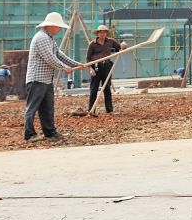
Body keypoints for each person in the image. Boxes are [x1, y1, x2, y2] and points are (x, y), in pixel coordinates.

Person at [25, 12, 83, 142]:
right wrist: (64, 67)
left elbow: (59, 54)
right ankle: (29, 134)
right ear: (51, 26)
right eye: (58, 26)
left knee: (47, 108)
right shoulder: (41, 38)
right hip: (36, 79)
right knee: (32, 107)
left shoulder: (49, 38)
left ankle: (50, 132)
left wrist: (76, 64)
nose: (59, 29)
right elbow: (50, 58)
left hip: (46, 79)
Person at [86, 24, 126, 115]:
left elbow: (120, 47)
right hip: (95, 67)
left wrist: (124, 45)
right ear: (98, 34)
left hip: (107, 66)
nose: (102, 34)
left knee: (107, 88)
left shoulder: (111, 41)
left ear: (106, 33)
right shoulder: (92, 44)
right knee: (94, 89)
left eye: (104, 32)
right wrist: (90, 69)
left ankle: (109, 110)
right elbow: (88, 59)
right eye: (101, 32)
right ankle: (91, 110)